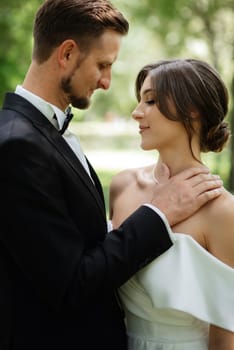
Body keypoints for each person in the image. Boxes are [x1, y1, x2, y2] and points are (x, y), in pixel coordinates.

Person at [0, 0, 223, 348]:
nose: (106, 82)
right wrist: (159, 214)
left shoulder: (44, 134)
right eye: (103, 65)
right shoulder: (18, 144)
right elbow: (71, 283)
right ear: (67, 53)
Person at [109, 58, 234, 350]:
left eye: (150, 101)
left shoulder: (223, 212)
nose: (136, 112)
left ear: (191, 110)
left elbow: (225, 335)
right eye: (140, 101)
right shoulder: (122, 187)